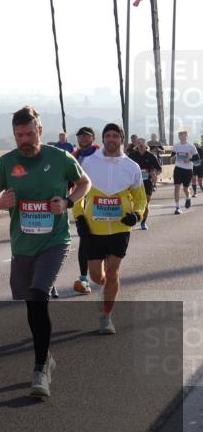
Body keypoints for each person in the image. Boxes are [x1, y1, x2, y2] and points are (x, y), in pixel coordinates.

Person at [0, 106, 90, 398]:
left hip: (54, 241)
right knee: (28, 300)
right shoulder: (7, 163)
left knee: (38, 296)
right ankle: (46, 357)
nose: (25, 139)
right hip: (22, 244)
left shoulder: (59, 158)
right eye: (19, 135)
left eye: (30, 133)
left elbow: (84, 183)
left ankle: (41, 367)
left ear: (40, 131)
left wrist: (67, 203)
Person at [72, 123, 146, 335]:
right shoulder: (88, 162)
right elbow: (78, 192)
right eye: (108, 136)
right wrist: (79, 218)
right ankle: (104, 293)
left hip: (120, 228)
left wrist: (137, 215)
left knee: (113, 273)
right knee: (97, 276)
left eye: (115, 136)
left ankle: (106, 316)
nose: (111, 139)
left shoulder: (131, 166)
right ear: (103, 139)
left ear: (121, 140)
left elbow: (140, 199)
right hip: (93, 229)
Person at [69, 126, 99, 295]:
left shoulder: (101, 155)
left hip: (101, 203)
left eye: (86, 136)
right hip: (81, 202)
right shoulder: (73, 157)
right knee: (84, 241)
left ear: (93, 138)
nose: (83, 139)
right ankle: (83, 278)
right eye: (80, 136)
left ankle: (101, 273)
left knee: (101, 242)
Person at [127, 137, 162, 229]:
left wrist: (154, 173)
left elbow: (159, 169)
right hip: (134, 183)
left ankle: (143, 222)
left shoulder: (150, 156)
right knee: (132, 202)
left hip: (147, 182)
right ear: (136, 145)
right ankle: (132, 219)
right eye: (139, 143)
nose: (141, 145)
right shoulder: (132, 156)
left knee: (145, 203)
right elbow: (125, 168)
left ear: (145, 145)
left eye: (142, 143)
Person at [172, 130, 200, 214]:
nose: (181, 136)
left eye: (183, 135)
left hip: (188, 170)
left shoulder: (191, 146)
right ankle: (177, 207)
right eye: (179, 135)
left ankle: (188, 197)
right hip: (178, 168)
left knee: (185, 189)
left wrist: (189, 160)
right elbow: (172, 157)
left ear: (186, 136)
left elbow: (197, 158)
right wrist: (173, 158)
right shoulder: (176, 146)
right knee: (177, 187)